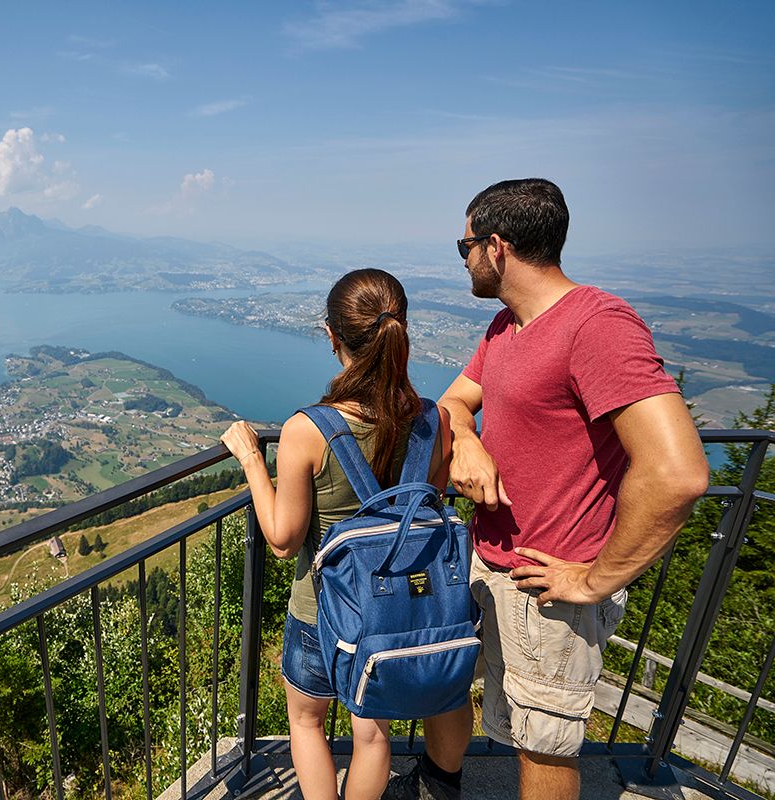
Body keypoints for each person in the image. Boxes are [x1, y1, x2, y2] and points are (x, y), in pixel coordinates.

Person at [385, 179, 709, 800]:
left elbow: (679, 473)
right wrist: (470, 441)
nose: (465, 259)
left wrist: (593, 580)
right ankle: (437, 782)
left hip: (547, 586)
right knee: (451, 682)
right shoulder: (507, 328)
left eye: (465, 246)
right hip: (488, 562)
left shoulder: (596, 326)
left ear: (497, 247)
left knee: (545, 741)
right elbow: (454, 400)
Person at [220, 268, 453, 800]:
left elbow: (281, 540)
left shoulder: (310, 430)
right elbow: (428, 509)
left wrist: (254, 460)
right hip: (395, 611)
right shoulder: (432, 421)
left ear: (332, 336)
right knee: (372, 733)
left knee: (306, 724)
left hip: (321, 611)